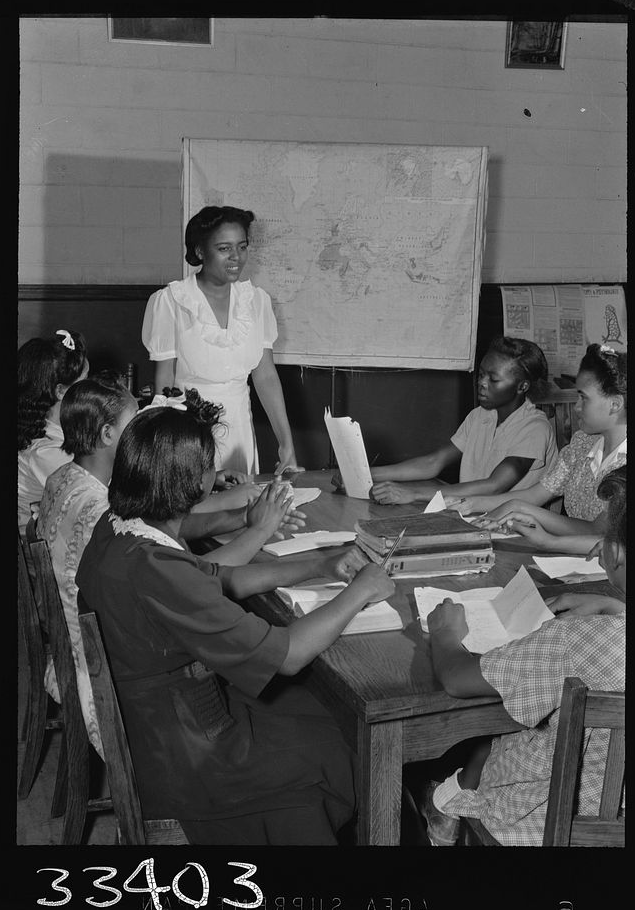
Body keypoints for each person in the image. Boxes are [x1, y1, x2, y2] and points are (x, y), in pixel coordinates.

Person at [76, 389, 395, 845]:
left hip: (163, 725)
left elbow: (219, 579)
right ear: (195, 484)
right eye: (209, 468)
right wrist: (360, 590)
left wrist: (320, 565)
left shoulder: (121, 529)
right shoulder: (157, 569)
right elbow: (286, 654)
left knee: (316, 712)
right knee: (343, 742)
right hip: (191, 758)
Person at [38, 378, 307, 757]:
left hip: (97, 647)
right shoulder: (103, 515)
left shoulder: (72, 481)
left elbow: (163, 537)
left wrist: (240, 517)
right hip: (118, 683)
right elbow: (184, 576)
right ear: (108, 433)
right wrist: (260, 529)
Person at [419, 466, 626, 846]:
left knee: (487, 745)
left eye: (605, 536)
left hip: (549, 825)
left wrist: (445, 632)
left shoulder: (576, 638)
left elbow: (456, 678)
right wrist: (615, 606)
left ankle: (441, 813)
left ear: (614, 550)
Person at [142, 205, 302, 477]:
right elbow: (164, 382)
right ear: (201, 251)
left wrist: (286, 444)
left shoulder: (256, 301)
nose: (236, 257)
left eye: (242, 246)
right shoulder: (170, 302)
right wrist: (168, 448)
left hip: (239, 427)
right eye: (224, 248)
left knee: (240, 505)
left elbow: (265, 377)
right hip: (188, 431)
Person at [457, 344, 627, 555]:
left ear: (615, 404)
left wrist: (520, 509)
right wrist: (464, 505)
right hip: (568, 559)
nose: (576, 406)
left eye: (583, 397)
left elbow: (599, 531)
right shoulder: (583, 444)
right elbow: (536, 494)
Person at [365, 337, 557, 506]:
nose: (482, 383)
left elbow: (494, 486)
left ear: (522, 386)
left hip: (513, 528)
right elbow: (434, 462)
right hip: (470, 514)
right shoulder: (479, 416)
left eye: (493, 379)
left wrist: (414, 494)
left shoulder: (535, 428)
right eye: (481, 375)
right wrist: (367, 475)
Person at [17, 329, 88, 532]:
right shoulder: (44, 451)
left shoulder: (60, 426)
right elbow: (91, 498)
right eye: (85, 379)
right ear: (60, 391)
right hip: (36, 550)